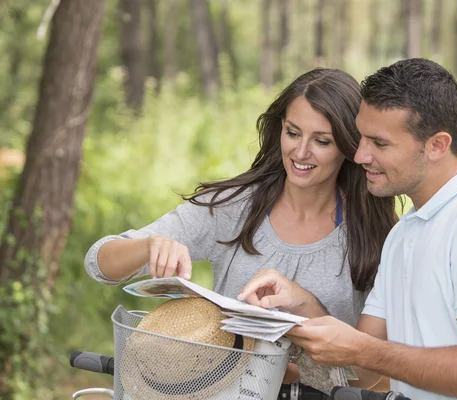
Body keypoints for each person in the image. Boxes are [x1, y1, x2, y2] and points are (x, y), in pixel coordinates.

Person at [239, 59, 457, 400]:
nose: (359, 156)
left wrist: (364, 351)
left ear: (436, 145)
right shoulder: (403, 236)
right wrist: (304, 304)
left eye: (379, 143)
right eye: (361, 138)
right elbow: (363, 371)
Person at [84, 68, 398, 398]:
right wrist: (149, 246)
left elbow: (365, 374)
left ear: (349, 148)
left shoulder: (374, 235)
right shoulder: (235, 208)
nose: (301, 152)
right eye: (292, 133)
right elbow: (98, 264)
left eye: (322, 141)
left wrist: (305, 307)